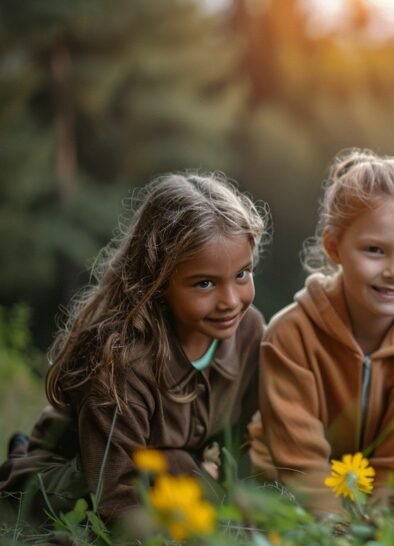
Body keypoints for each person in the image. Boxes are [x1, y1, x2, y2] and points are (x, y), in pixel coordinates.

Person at [0, 173, 268, 524]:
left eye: (242, 274)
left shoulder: (249, 331)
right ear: (156, 280)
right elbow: (116, 499)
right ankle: (19, 467)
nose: (231, 301)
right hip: (81, 476)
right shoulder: (121, 360)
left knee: (184, 470)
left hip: (160, 473)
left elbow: (249, 437)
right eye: (204, 283)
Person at [248, 149, 394, 516]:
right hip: (286, 489)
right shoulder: (290, 335)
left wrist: (376, 518)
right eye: (375, 250)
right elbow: (297, 456)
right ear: (334, 247)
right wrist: (337, 526)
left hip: (376, 492)